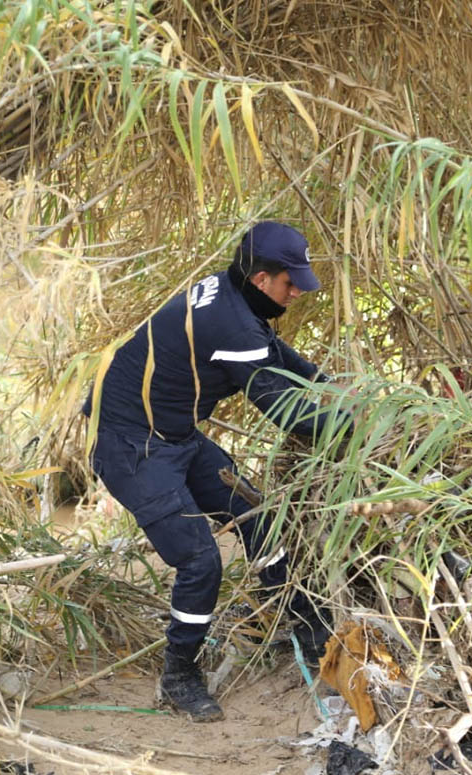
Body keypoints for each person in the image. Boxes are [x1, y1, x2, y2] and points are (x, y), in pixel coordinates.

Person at [84, 222, 346, 722]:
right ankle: (179, 676)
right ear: (260, 277)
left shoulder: (233, 294)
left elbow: (273, 351)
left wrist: (327, 382)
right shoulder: (233, 324)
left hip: (176, 433)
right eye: (289, 283)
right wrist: (361, 427)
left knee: (258, 517)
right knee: (201, 561)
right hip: (131, 445)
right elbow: (290, 416)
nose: (296, 293)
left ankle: (308, 632)